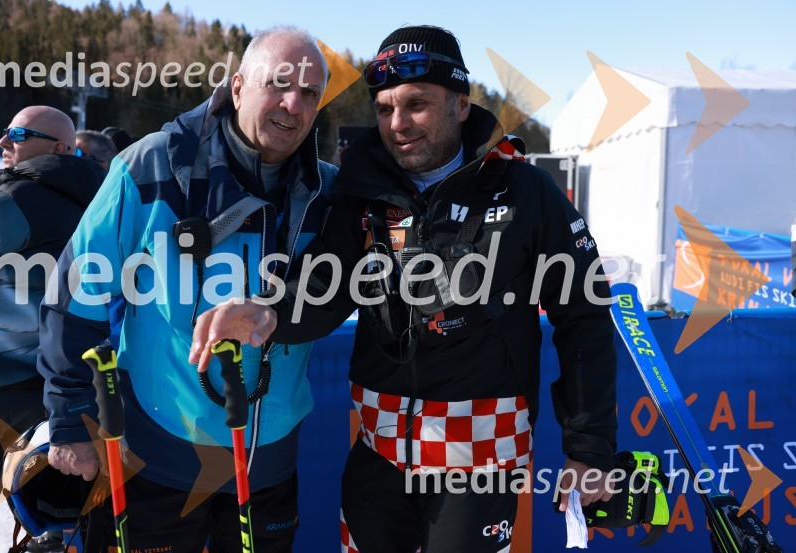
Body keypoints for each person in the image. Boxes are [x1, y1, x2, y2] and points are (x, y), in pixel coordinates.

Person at [191, 25, 618, 552]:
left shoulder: (523, 189)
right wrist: (269, 311)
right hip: (380, 451)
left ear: (460, 104)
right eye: (385, 108)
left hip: (480, 457)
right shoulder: (361, 189)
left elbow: (584, 313)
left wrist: (590, 448)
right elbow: (324, 283)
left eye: (416, 104)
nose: (397, 124)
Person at [37, 26, 335, 552]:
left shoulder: (328, 193)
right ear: (238, 87)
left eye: (310, 93)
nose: (293, 104)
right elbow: (74, 295)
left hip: (267, 466)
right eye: (279, 83)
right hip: (154, 462)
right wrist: (70, 417)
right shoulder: (151, 165)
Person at [0, 106, 104, 553]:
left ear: (60, 148)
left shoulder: (17, 200)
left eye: (19, 134)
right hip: (56, 390)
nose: (4, 142)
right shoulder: (100, 211)